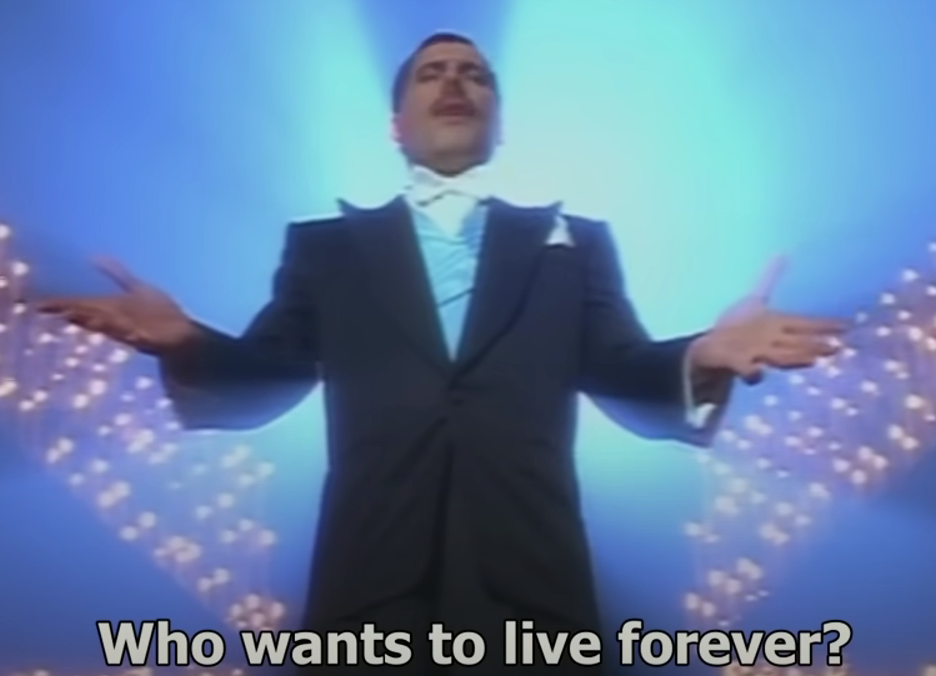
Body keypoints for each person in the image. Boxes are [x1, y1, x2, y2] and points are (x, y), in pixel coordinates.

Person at [37, 33, 843, 674]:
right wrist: (187, 341)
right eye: (431, 74)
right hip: (369, 590)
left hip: (534, 592)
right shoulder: (326, 249)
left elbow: (621, 369)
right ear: (395, 125)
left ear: (500, 123)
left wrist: (703, 354)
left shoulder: (575, 244)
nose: (454, 82)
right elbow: (266, 377)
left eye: (474, 74)